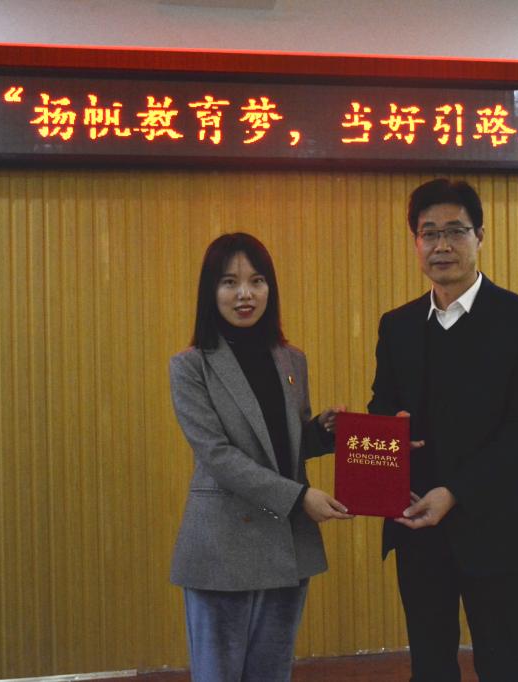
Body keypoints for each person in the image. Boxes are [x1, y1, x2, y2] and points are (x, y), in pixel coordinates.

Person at [368, 179, 518, 682]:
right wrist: (387, 427)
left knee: (501, 663)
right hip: (417, 521)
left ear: (480, 237)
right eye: (429, 233)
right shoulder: (397, 325)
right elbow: (382, 405)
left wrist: (455, 492)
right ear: (416, 242)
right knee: (429, 664)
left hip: (496, 523)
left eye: (455, 231)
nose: (442, 245)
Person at [169, 232, 352, 682]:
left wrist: (322, 431)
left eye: (257, 280)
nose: (245, 294)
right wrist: (299, 497)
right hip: (223, 546)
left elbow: (283, 445)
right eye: (229, 282)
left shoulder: (291, 360)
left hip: (287, 544)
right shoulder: (191, 365)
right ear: (211, 292)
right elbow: (218, 456)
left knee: (272, 673)